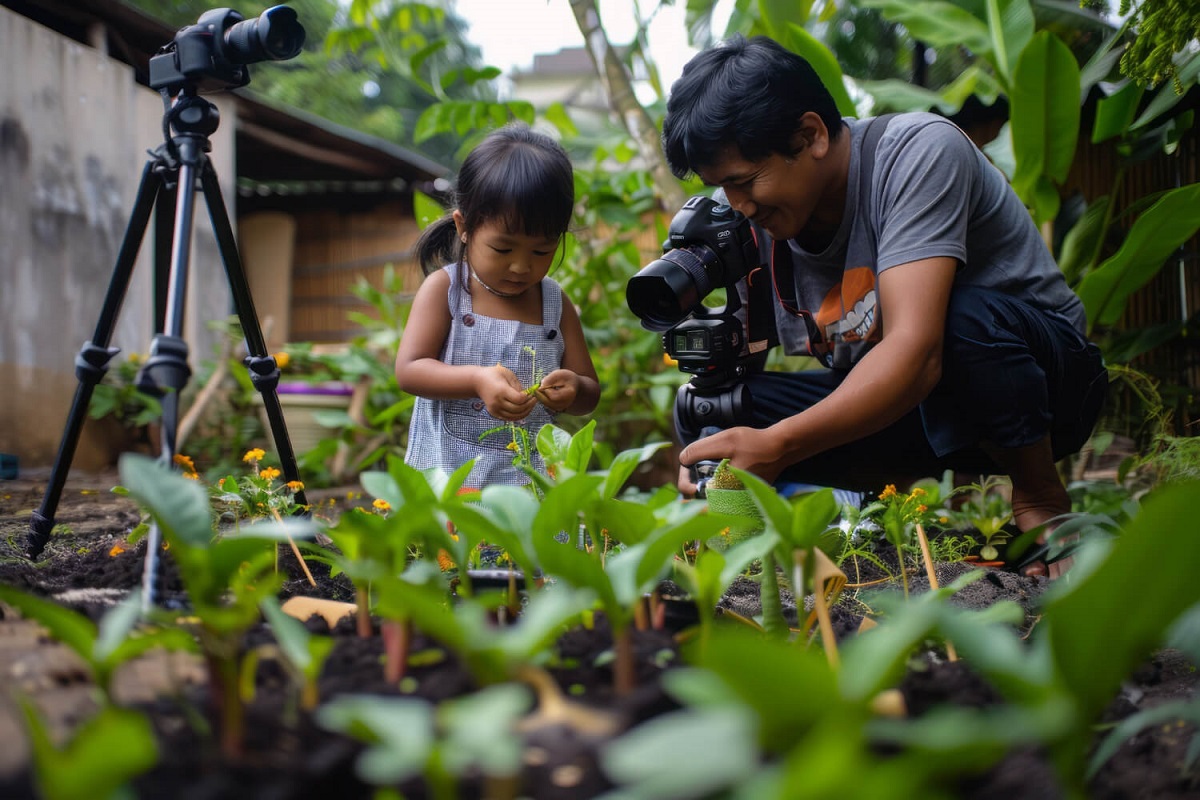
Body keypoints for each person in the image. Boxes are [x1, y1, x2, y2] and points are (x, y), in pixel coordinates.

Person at [659, 35, 1108, 578]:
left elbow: (917, 353)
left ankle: (1040, 499)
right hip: (907, 412)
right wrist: (715, 450)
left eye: (744, 181)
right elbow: (738, 378)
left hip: (1041, 391)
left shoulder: (916, 152)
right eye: (722, 189)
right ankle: (746, 559)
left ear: (811, 134)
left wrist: (779, 444)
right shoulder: (759, 221)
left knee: (959, 321)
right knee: (720, 408)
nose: (740, 205)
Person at [396, 123, 600, 488]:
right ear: (464, 226)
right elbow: (409, 370)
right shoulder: (446, 290)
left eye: (542, 250)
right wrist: (475, 379)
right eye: (503, 249)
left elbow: (589, 392)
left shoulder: (555, 304)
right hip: (449, 480)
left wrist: (574, 389)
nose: (522, 266)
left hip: (530, 487)